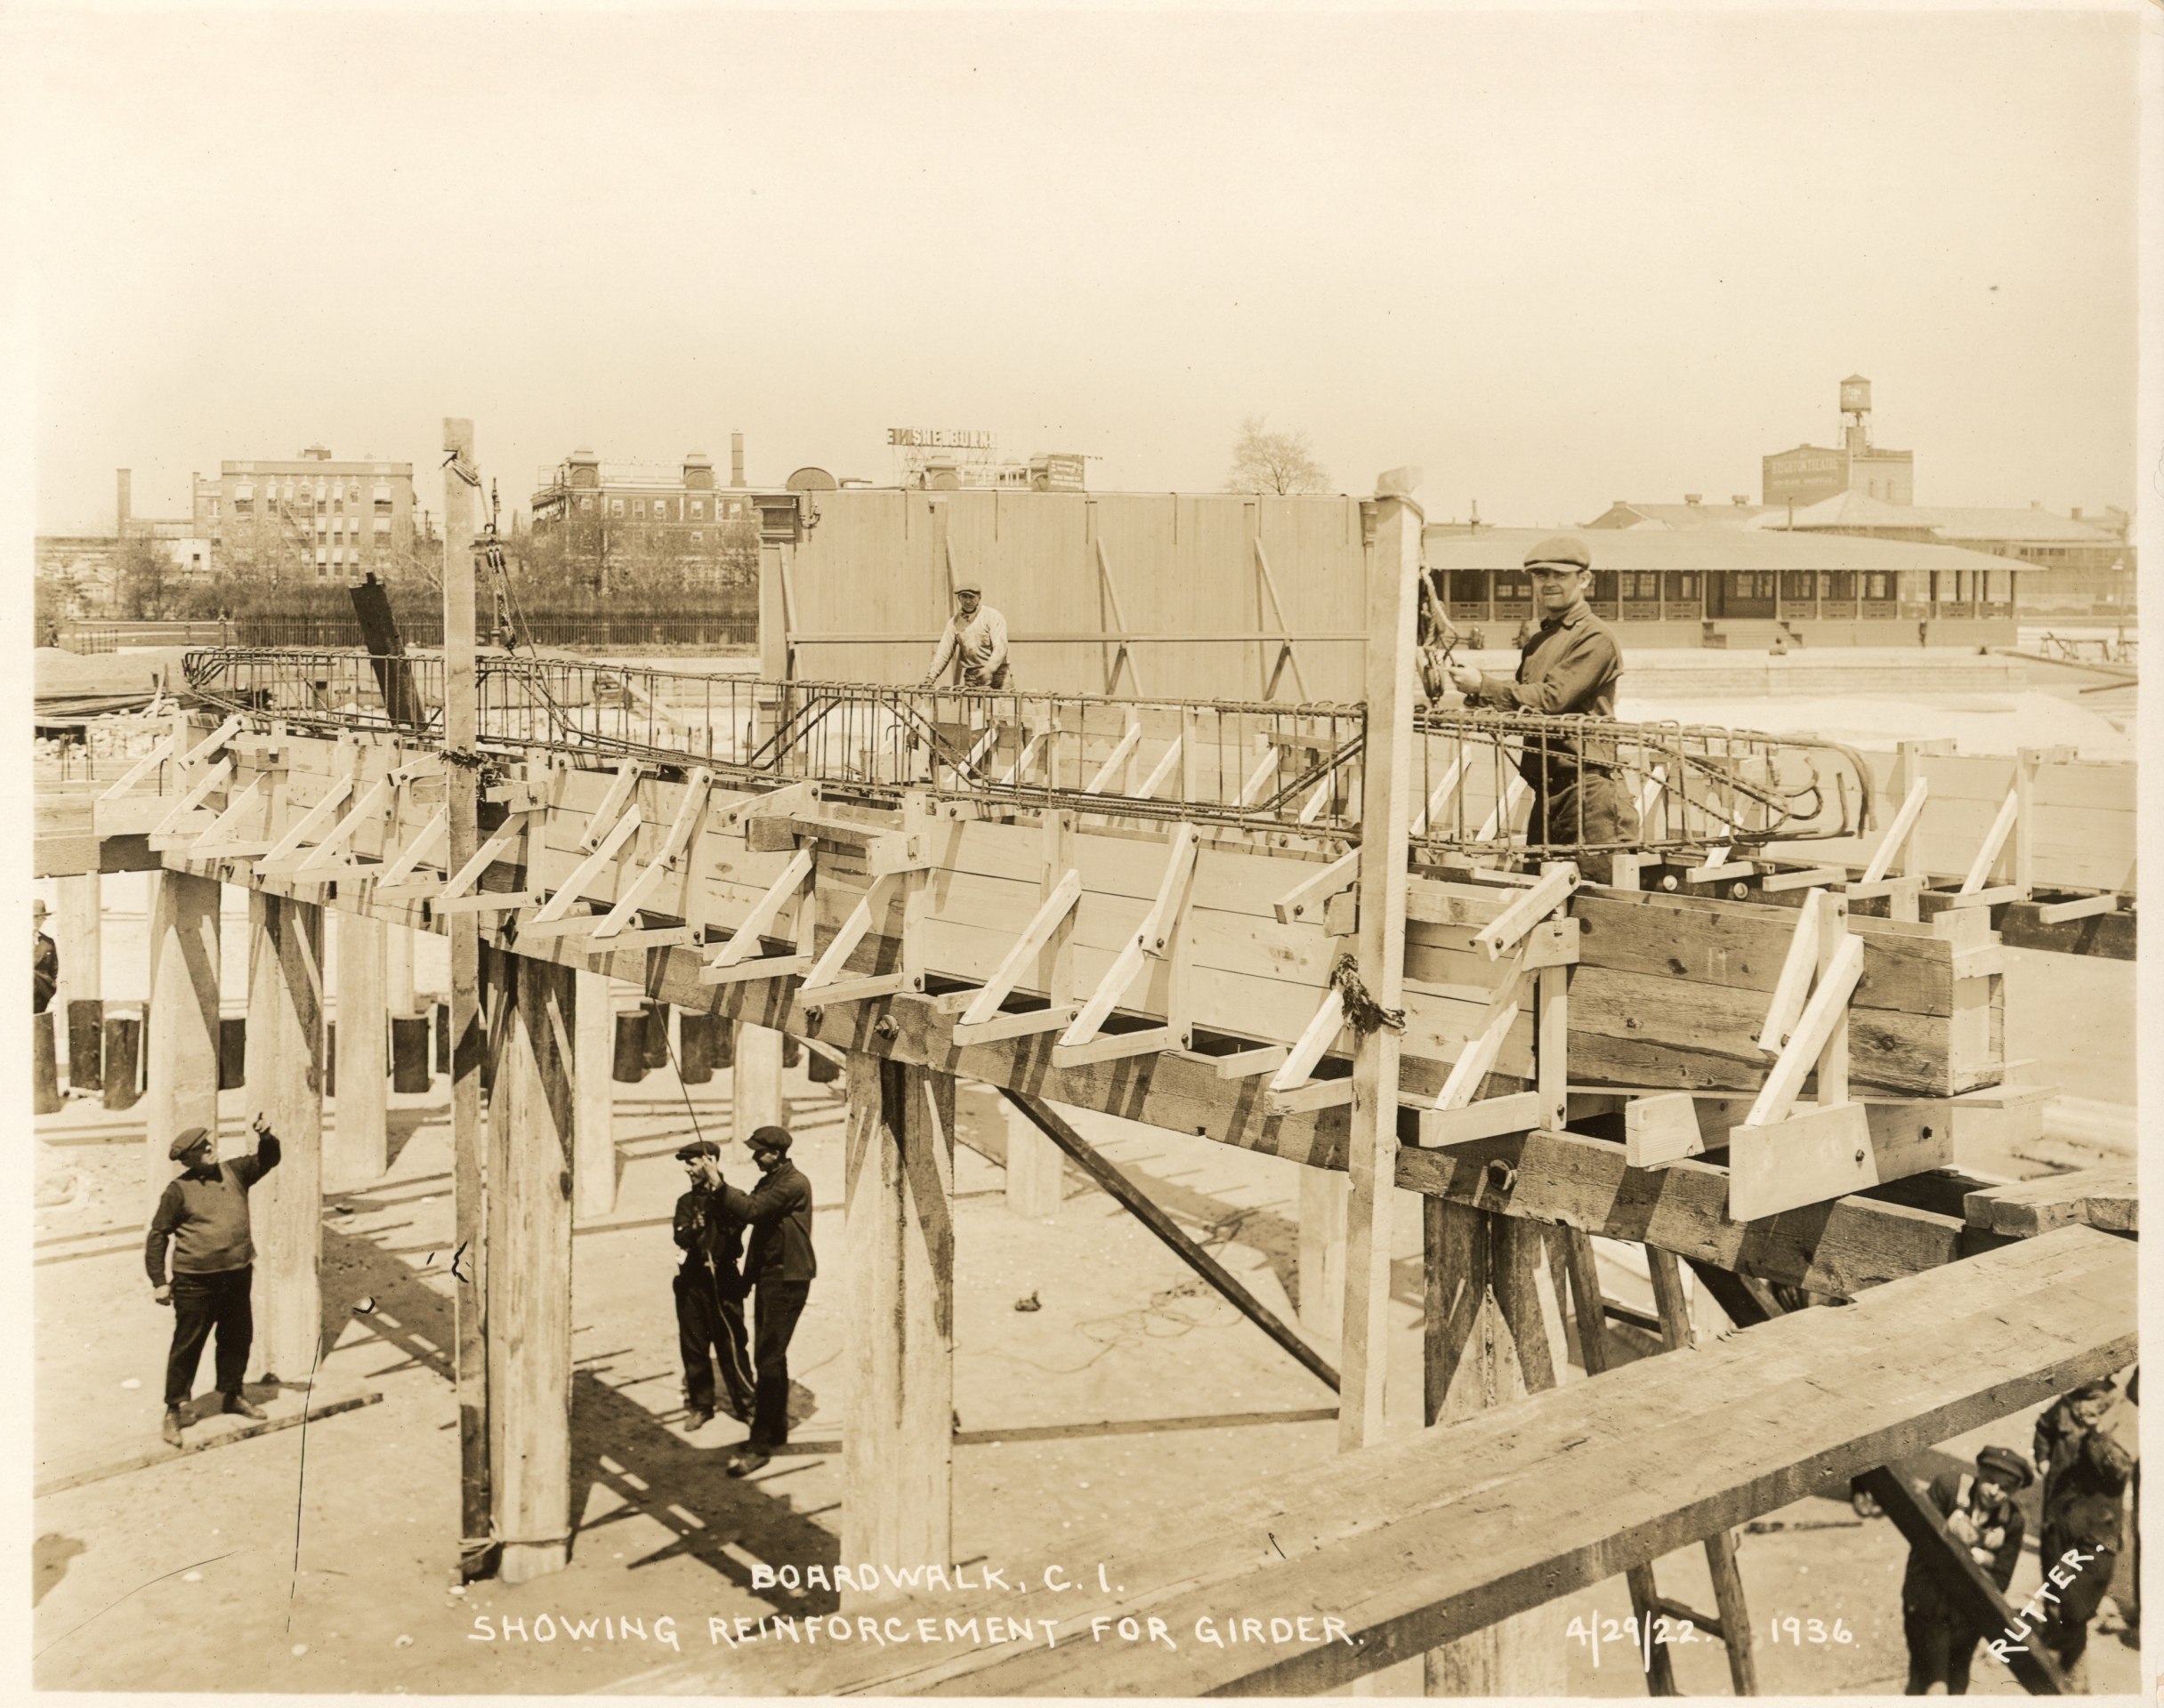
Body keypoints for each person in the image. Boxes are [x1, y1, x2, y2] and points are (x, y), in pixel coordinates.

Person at [1445, 536, 1638, 882]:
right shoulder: (1538, 642)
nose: (1548, 583)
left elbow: (1552, 700)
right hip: (1547, 795)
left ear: (1584, 579)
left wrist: (1483, 686)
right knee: (1539, 901)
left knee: (1603, 908)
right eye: (1540, 575)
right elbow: (1524, 707)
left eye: (1559, 575)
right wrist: (1471, 699)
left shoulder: (1595, 637)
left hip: (1590, 798)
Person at [145, 1120, 282, 1446]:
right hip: (195, 1281)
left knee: (237, 1337)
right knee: (188, 1344)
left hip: (236, 1274)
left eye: (209, 1144)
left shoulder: (235, 1172)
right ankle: (174, 1408)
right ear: (188, 1159)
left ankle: (232, 1394)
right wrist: (159, 1281)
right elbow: (157, 1235)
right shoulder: (177, 1191)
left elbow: (269, 1159)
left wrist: (265, 1136)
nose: (211, 1149)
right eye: (202, 1149)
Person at [715, 1124, 816, 1477]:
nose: (755, 1156)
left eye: (759, 1152)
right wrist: (746, 1279)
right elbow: (759, 1230)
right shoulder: (773, 1179)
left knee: (768, 1358)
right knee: (772, 1357)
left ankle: (759, 1446)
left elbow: (754, 1211)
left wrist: (719, 1185)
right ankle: (776, 1429)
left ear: (776, 1153)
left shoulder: (792, 1183)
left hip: (787, 1279)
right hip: (773, 1277)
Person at [1900, 1445, 2031, 1695]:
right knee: (1932, 1682)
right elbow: (1921, 1548)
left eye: (2005, 1488)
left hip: (1968, 1616)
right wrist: (1980, 1555)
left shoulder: (2012, 1521)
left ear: (2014, 1490)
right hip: (1927, 1605)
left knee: (1957, 1682)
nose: (1994, 1492)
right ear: (1979, 1473)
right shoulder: (1947, 1489)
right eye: (1990, 1481)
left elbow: (2002, 1579)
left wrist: (1977, 1556)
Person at [2033, 1374, 2138, 1689]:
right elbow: (2044, 1428)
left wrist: (2097, 1435)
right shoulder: (2069, 1402)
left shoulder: (2124, 1412)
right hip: (2057, 1524)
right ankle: (2070, 1685)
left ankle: (2069, 1684)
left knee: (2074, 1609)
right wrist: (2042, 1458)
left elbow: (2118, 1472)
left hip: (2095, 1533)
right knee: (2057, 1600)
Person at [672, 1138, 755, 1430]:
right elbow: (680, 1236)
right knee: (693, 1346)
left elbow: (739, 1222)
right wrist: (696, 1225)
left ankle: (746, 1405)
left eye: (692, 1164)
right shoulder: (686, 1201)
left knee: (731, 1345)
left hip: (724, 1280)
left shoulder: (732, 1196)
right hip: (693, 1281)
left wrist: (717, 1191)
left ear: (710, 1163)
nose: (688, 1170)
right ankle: (701, 1405)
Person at [922, 576, 1011, 690]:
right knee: (975, 708)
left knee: (1002, 706)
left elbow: (1001, 647)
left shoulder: (992, 616)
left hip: (998, 673)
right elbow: (944, 651)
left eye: (972, 597)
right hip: (973, 676)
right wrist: (931, 677)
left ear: (979, 597)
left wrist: (989, 669)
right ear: (959, 598)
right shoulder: (954, 623)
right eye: (964, 597)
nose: (968, 601)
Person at [33, 898, 59, 1014]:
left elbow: (54, 970)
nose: (37, 921)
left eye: (41, 918)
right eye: (33, 917)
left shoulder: (48, 942)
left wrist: (49, 988)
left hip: (41, 997)